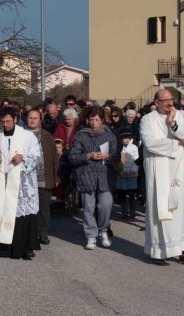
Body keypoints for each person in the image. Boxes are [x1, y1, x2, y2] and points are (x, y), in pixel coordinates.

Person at [140, 89, 184, 266]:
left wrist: (173, 125)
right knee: (160, 212)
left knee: (180, 212)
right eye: (165, 100)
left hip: (179, 171)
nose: (170, 103)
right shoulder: (147, 120)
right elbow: (150, 143)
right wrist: (176, 144)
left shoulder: (181, 115)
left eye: (171, 99)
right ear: (156, 103)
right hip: (159, 173)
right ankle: (158, 252)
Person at [0, 107, 42, 259]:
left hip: (22, 184)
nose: (5, 124)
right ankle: (4, 248)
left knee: (22, 216)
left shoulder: (27, 136)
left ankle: (24, 248)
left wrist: (23, 157)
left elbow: (37, 157)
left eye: (8, 121)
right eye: (3, 122)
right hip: (3, 185)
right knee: (4, 212)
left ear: (15, 120)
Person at [68, 106, 119, 250]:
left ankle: (103, 231)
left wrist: (108, 156)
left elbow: (116, 156)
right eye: (92, 119)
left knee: (105, 205)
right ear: (87, 120)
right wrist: (88, 156)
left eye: (97, 119)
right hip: (86, 175)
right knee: (88, 208)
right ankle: (91, 236)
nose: (94, 123)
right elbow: (72, 157)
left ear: (102, 120)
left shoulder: (109, 135)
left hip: (104, 176)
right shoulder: (80, 135)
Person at [26, 108, 59, 245]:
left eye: (35, 118)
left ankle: (43, 232)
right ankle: (29, 232)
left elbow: (54, 157)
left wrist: (56, 176)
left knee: (44, 207)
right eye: (30, 118)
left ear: (40, 121)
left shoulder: (47, 136)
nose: (32, 120)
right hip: (26, 178)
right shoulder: (21, 135)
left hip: (43, 177)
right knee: (28, 207)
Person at [115, 126, 139, 220]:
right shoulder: (118, 148)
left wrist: (132, 171)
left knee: (132, 194)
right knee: (122, 194)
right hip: (122, 172)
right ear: (121, 138)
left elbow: (136, 160)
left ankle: (133, 212)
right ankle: (124, 212)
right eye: (124, 138)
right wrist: (123, 171)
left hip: (132, 173)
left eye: (128, 138)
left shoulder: (134, 147)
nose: (126, 140)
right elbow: (118, 162)